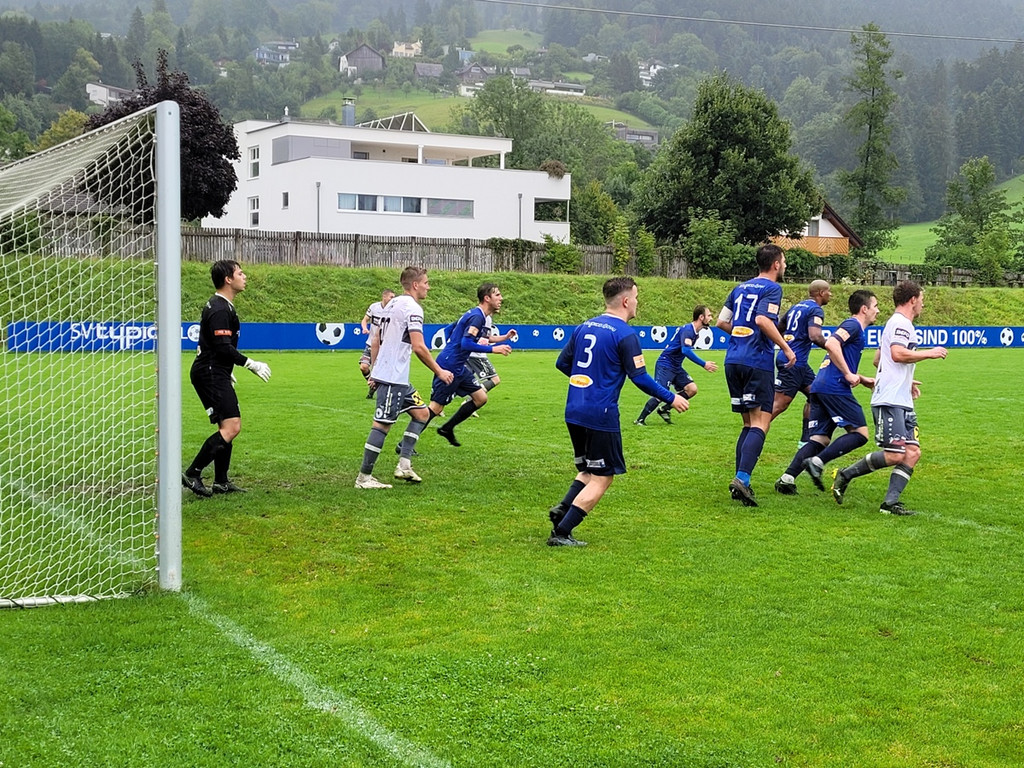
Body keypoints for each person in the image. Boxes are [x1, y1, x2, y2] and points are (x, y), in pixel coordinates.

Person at [547, 277, 688, 546]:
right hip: (600, 413)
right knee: (603, 477)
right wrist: (672, 397)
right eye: (636, 297)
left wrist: (586, 382)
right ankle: (562, 532)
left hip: (574, 408)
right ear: (625, 301)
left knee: (587, 470)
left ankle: (562, 510)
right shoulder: (625, 334)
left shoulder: (584, 326)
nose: (637, 302)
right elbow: (641, 378)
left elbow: (562, 363)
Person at [831, 281, 948, 515]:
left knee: (912, 453)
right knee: (895, 454)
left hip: (901, 397)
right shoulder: (900, 323)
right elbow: (896, 354)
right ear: (912, 300)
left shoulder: (898, 324)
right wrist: (930, 353)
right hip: (890, 400)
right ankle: (846, 474)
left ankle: (890, 504)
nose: (923, 303)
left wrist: (906, 380)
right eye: (921, 298)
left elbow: (880, 360)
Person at [356, 267, 453, 489]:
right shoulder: (413, 308)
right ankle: (364, 478)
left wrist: (376, 369)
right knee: (381, 425)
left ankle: (404, 465)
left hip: (395, 376)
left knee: (421, 414)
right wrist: (439, 371)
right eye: (426, 282)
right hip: (393, 377)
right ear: (415, 285)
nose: (429, 286)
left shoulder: (391, 304)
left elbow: (375, 339)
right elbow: (419, 346)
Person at [182, 260, 272, 497]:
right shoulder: (220, 308)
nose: (245, 276)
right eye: (240, 273)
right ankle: (193, 473)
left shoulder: (224, 306)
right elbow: (222, 347)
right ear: (228, 279)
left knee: (227, 425)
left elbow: (213, 345)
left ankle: (221, 481)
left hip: (215, 370)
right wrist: (249, 364)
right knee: (232, 427)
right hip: (210, 373)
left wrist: (227, 369)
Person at [775, 290, 878, 494]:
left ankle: (787, 479)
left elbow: (838, 355)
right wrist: (848, 374)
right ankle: (818, 462)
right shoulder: (853, 325)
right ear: (864, 309)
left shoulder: (855, 328)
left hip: (820, 385)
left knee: (819, 440)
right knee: (860, 434)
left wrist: (861, 378)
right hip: (834, 387)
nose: (878, 311)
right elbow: (831, 343)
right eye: (875, 306)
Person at [716, 244, 796, 507]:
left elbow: (721, 322)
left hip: (733, 359)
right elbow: (763, 320)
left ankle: (741, 481)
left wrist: (741, 335)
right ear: (775, 264)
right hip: (756, 361)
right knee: (762, 422)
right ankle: (742, 478)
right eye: (783, 262)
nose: (784, 266)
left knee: (749, 424)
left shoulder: (739, 288)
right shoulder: (772, 288)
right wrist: (785, 347)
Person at [426, 283, 512, 447]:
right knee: (435, 409)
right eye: (498, 295)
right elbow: (466, 343)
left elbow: (466, 333)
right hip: (449, 365)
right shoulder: (477, 316)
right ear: (487, 298)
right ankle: (405, 444)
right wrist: (494, 350)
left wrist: (504, 338)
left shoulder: (479, 316)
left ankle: (447, 428)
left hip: (458, 366)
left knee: (480, 398)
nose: (501, 298)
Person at [634, 305, 718, 425]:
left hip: (675, 366)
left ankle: (664, 409)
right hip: (666, 364)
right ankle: (640, 420)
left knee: (692, 389)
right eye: (709, 315)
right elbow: (686, 351)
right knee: (660, 393)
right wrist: (704, 364)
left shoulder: (694, 332)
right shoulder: (688, 330)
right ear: (701, 317)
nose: (711, 318)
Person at [771, 280, 831, 439]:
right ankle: (754, 430)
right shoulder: (816, 310)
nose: (830, 294)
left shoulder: (796, 307)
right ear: (821, 293)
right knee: (779, 404)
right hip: (793, 362)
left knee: (816, 394)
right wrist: (833, 347)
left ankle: (805, 440)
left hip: (797, 362)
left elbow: (778, 328)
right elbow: (815, 335)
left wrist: (789, 342)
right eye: (828, 291)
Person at [462, 306, 518, 417]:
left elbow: (487, 338)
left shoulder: (485, 317)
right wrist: (494, 349)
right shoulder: (483, 317)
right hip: (477, 355)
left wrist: (505, 337)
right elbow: (481, 340)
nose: (500, 302)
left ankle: (437, 405)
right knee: (495, 379)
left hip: (471, 353)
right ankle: (470, 401)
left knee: (458, 380)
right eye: (497, 297)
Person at [359, 289, 395, 398]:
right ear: (384, 297)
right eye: (391, 297)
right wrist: (364, 328)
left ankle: (377, 389)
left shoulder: (394, 310)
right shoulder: (374, 307)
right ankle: (373, 384)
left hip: (385, 346)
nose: (393, 300)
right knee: (364, 367)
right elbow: (364, 320)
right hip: (371, 344)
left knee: (385, 371)